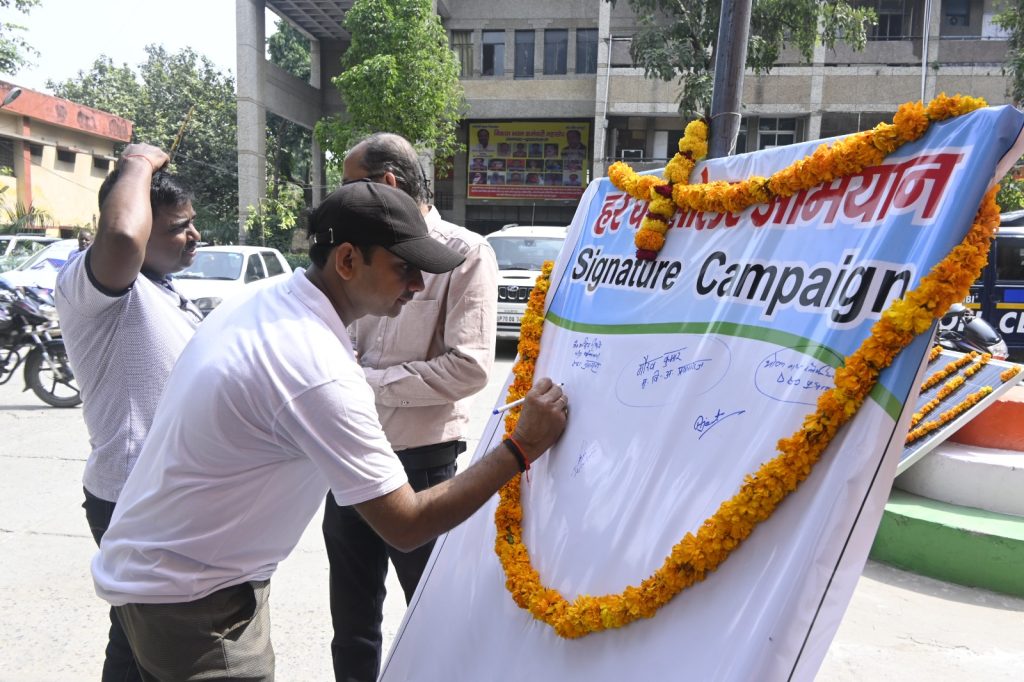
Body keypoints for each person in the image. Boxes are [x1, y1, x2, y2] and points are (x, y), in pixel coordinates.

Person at [91, 180, 569, 681]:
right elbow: (405, 524)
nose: (418, 286)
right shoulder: (314, 365)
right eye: (404, 268)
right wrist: (522, 446)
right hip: (194, 601)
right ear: (346, 260)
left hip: (154, 571)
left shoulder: (263, 299)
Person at [325, 132, 498, 681]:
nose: (340, 199)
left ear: (386, 184)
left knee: (435, 619)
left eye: (350, 186)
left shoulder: (464, 253)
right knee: (352, 625)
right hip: (352, 455)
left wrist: (362, 381)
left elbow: (469, 367)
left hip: (423, 465)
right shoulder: (356, 252)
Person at [55, 143, 202, 682]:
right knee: (159, 645)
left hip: (164, 492)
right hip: (133, 497)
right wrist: (137, 164)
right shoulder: (93, 288)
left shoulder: (161, 291)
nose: (194, 236)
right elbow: (118, 238)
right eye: (178, 228)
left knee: (135, 642)